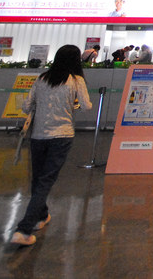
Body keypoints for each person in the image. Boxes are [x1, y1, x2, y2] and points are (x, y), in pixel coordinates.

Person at [11, 44, 92, 246]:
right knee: (46, 180)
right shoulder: (76, 80)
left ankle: (41, 216)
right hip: (62, 135)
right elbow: (86, 106)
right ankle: (24, 229)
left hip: (38, 135)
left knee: (38, 178)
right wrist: (71, 104)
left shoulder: (42, 78)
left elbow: (26, 106)